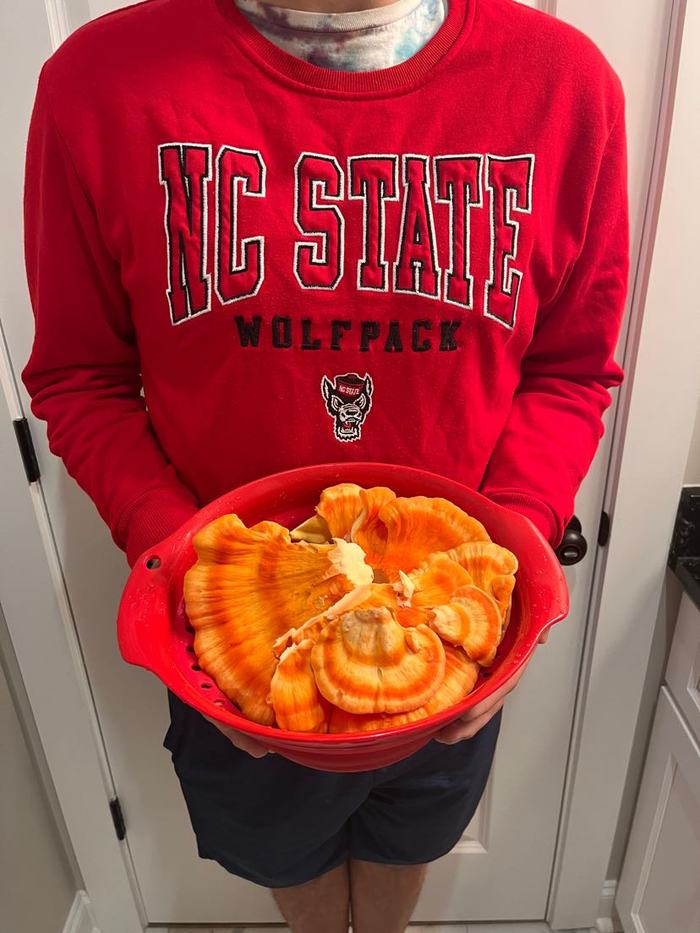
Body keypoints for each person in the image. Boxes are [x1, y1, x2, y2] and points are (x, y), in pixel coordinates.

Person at [21, 0, 629, 928]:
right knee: (279, 846)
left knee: (411, 834)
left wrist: (507, 544)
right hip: (233, 654)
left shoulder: (565, 87)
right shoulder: (95, 86)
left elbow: (571, 365)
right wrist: (182, 565)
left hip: (453, 635)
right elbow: (80, 375)